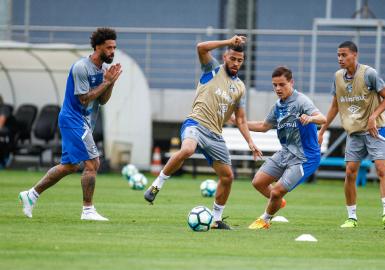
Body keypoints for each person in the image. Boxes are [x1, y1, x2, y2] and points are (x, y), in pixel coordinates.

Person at [144, 35, 262, 230]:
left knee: (227, 177)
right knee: (188, 149)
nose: (235, 63)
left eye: (239, 60)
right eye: (232, 58)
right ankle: (157, 185)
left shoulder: (240, 87)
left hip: (215, 134)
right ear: (225, 57)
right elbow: (200, 47)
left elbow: (240, 119)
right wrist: (228, 42)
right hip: (195, 123)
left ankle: (216, 220)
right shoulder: (213, 69)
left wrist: (250, 141)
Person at [18, 27, 122, 221]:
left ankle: (31, 194)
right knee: (93, 163)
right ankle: (88, 210)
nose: (112, 51)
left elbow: (102, 100)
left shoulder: (104, 70)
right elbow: (84, 99)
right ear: (98, 46)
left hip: (83, 121)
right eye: (109, 48)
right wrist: (106, 83)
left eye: (114, 47)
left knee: (70, 166)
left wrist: (111, 83)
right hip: (72, 119)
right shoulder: (81, 67)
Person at [318, 41, 385, 229]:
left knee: (382, 170)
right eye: (338, 55)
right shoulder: (337, 77)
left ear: (355, 55)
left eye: (344, 55)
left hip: (375, 129)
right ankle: (351, 217)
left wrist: (373, 117)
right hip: (354, 132)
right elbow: (335, 106)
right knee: (350, 172)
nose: (340, 59)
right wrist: (322, 129)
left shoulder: (369, 74)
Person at [241, 66, 326, 229]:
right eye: (275, 85)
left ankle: (265, 220)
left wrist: (310, 118)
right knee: (258, 182)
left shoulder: (301, 101)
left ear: (291, 82)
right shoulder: (278, 105)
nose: (278, 89)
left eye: (282, 84)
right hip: (286, 152)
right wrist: (239, 123)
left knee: (276, 191)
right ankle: (278, 201)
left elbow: (322, 118)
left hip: (305, 157)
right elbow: (264, 125)